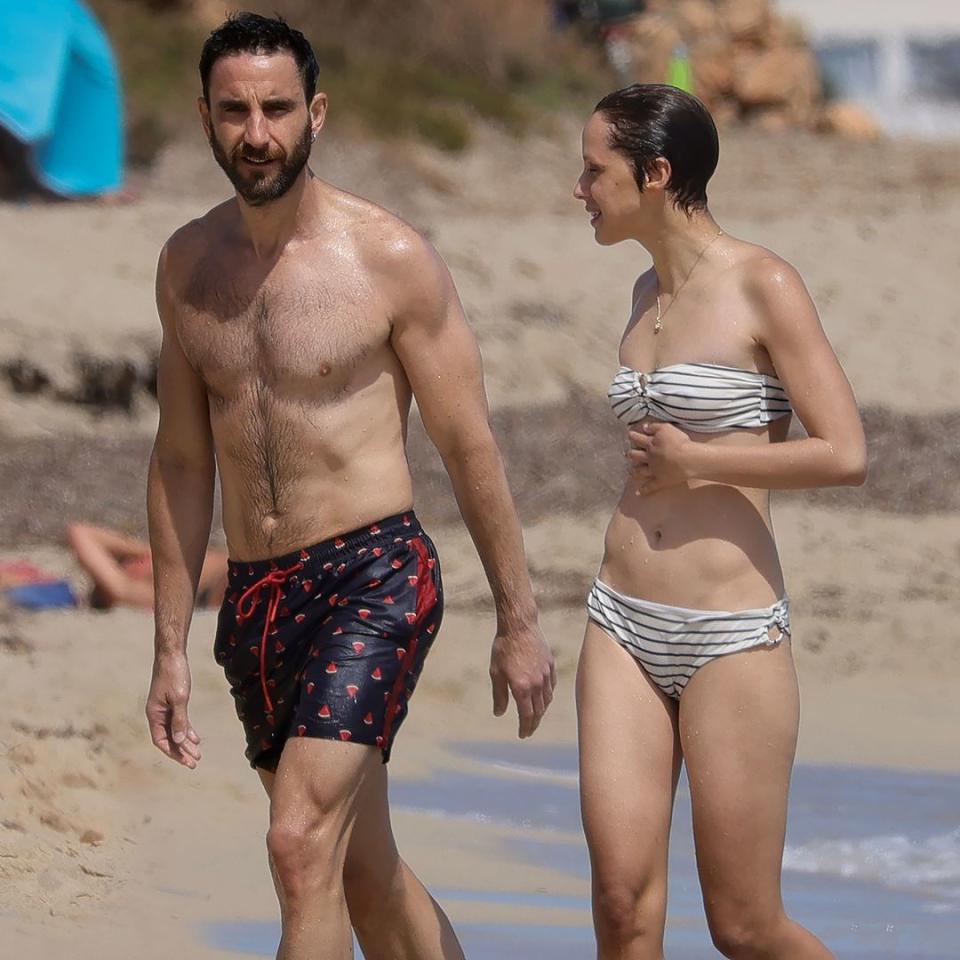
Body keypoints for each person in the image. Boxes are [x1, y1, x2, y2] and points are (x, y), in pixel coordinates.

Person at [144, 12, 555, 960]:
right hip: (254, 599)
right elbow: (178, 460)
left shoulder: (388, 258)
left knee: (297, 844)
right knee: (358, 874)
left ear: (316, 112)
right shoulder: (184, 266)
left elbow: (469, 445)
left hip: (372, 578)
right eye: (236, 110)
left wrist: (519, 621)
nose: (258, 133)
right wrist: (170, 649)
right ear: (204, 117)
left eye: (278, 109)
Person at [573, 84, 866, 959]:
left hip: (729, 633)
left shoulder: (765, 284)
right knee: (621, 905)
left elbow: (844, 452)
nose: (578, 188)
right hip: (621, 617)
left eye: (594, 170)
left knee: (744, 927)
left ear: (655, 174)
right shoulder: (641, 289)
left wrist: (703, 462)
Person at [65, 522, 228, 609]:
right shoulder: (130, 590)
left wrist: (146, 550)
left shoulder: (175, 559)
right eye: (126, 563)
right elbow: (78, 531)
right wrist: (140, 549)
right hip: (229, 589)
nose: (137, 559)